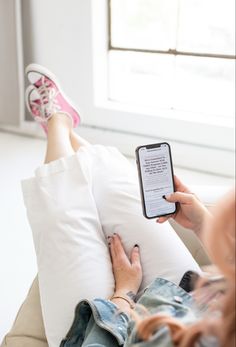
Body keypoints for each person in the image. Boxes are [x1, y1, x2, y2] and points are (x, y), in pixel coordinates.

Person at [22, 64, 235, 347]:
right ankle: (64, 128)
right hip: (184, 298)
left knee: (60, 210)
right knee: (114, 184)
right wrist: (203, 224)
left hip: (108, 335)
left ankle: (58, 122)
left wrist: (123, 294)